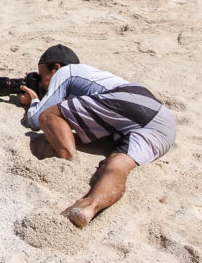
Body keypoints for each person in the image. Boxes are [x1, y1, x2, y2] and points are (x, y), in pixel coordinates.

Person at [18, 44, 176, 228]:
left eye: (43, 76)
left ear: (56, 68)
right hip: (164, 125)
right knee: (118, 162)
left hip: (130, 99)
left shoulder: (67, 72)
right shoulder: (93, 78)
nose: (43, 83)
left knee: (49, 115)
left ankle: (68, 163)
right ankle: (89, 207)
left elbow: (37, 120)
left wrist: (35, 101)